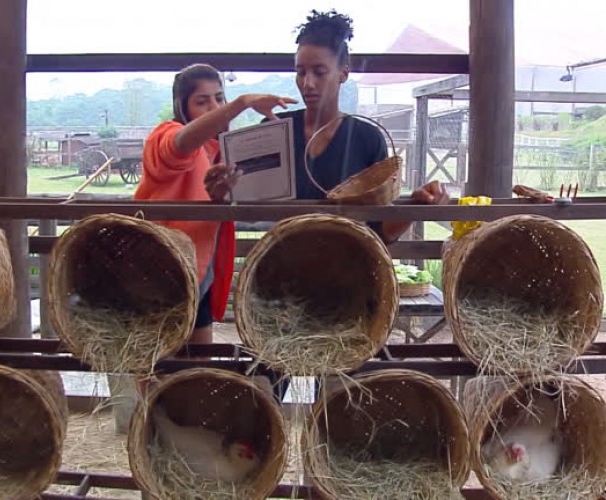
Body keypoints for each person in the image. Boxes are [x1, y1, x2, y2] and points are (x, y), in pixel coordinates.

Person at [204, 9, 451, 404]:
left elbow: (376, 235)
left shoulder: (366, 138)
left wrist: (415, 207)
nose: (307, 83)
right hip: (276, 292)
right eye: (300, 71)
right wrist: (220, 196)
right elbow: (244, 207)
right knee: (257, 402)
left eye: (319, 71)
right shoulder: (274, 133)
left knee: (337, 409)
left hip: (347, 294)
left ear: (344, 73)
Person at [106, 64, 296, 436]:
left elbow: (215, 212)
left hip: (200, 278)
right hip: (160, 282)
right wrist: (241, 103)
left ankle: (190, 452)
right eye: (202, 101)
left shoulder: (217, 152)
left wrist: (221, 198)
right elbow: (179, 148)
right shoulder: (167, 135)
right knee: (158, 380)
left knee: (197, 371)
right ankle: (155, 453)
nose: (213, 107)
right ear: (183, 106)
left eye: (219, 97)